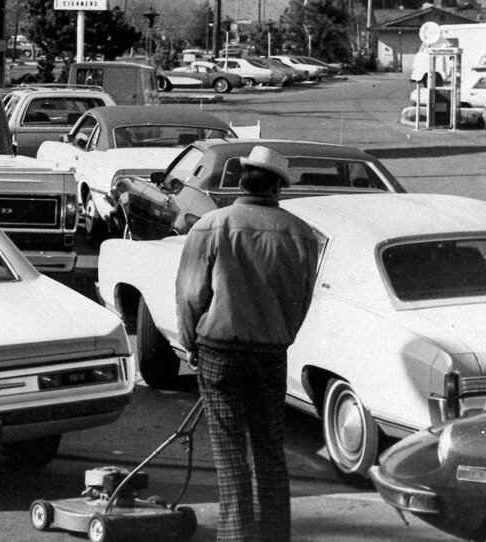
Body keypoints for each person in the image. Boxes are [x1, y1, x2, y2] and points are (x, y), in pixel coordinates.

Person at [175, 145, 317, 542]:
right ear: (277, 188)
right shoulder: (300, 233)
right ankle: (274, 536)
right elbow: (301, 299)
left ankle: (235, 537)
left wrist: (190, 343)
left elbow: (190, 295)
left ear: (241, 181)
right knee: (270, 451)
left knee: (231, 452)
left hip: (219, 349)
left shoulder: (212, 224)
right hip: (271, 353)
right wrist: (280, 335)